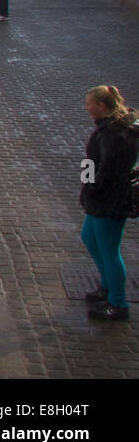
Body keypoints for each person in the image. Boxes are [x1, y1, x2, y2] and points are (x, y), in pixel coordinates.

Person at [78, 85, 139, 321]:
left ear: (101, 106)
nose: (86, 108)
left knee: (110, 251)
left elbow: (103, 171)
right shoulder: (112, 129)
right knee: (89, 238)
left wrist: (89, 188)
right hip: (101, 200)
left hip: (108, 202)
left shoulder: (112, 135)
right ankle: (107, 286)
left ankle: (118, 303)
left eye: (89, 104)